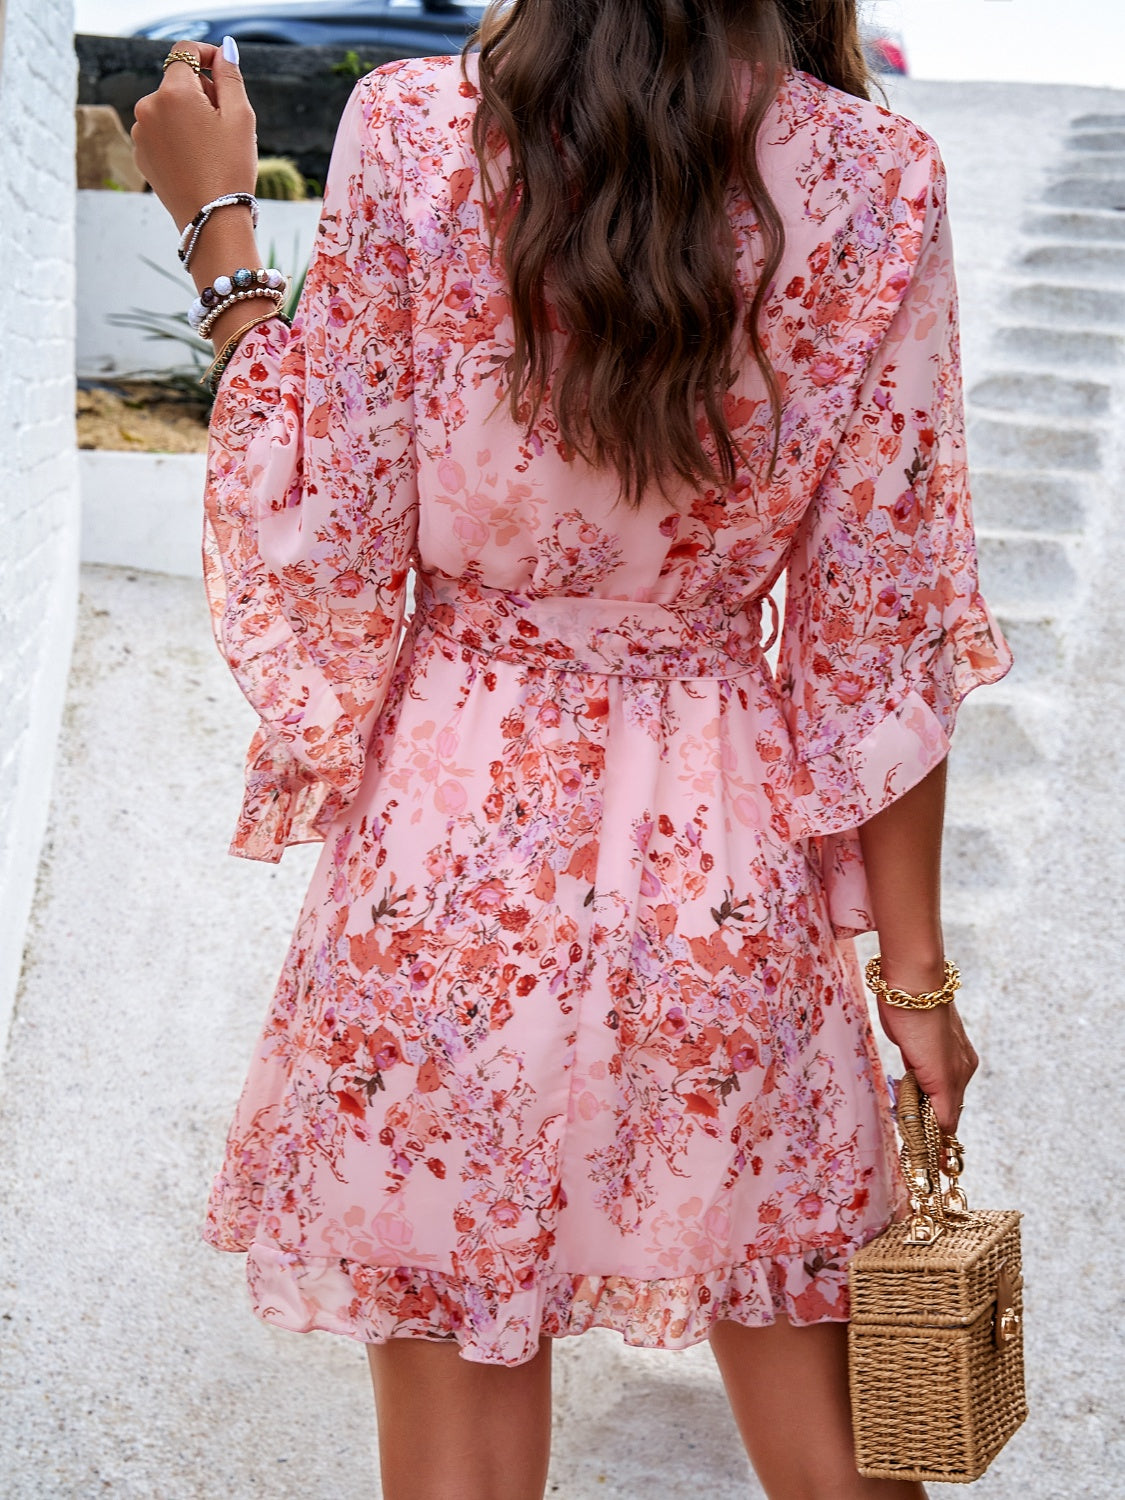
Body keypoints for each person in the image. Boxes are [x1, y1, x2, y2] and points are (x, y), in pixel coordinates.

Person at [131, 3, 1012, 1495]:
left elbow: (325, 535)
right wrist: (913, 988)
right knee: (840, 1443)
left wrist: (219, 233)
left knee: (458, 1429)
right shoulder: (876, 176)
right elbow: (883, 630)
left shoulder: (415, 130)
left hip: (444, 854)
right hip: (723, 875)